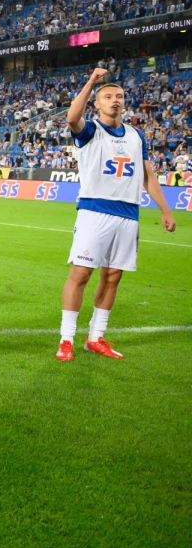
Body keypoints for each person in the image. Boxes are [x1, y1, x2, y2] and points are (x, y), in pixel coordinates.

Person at [56, 68, 176, 362]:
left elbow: (147, 175)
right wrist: (91, 83)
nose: (115, 100)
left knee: (112, 277)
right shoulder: (90, 130)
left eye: (119, 96)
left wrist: (165, 210)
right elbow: (71, 118)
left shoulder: (136, 135)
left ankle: (95, 337)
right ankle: (66, 340)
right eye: (108, 97)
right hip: (95, 210)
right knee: (81, 274)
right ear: (97, 104)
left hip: (128, 213)